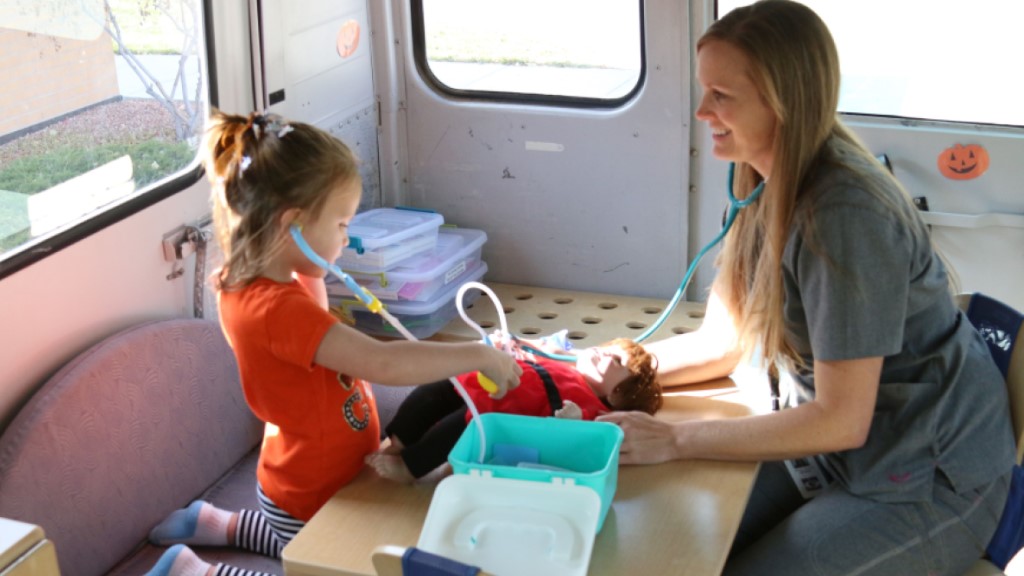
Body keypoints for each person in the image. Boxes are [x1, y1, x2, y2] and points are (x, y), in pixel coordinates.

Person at [595, 2, 1016, 575]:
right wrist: (585, 369)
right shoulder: (757, 177)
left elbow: (842, 418)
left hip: (925, 475)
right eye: (704, 90)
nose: (701, 111)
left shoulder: (845, 215)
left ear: (783, 102)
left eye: (722, 95)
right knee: (668, 552)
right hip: (837, 445)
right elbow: (724, 343)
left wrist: (675, 441)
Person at [143, 110, 522, 576]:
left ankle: (218, 524)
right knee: (315, 559)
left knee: (292, 536)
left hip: (306, 473)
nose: (348, 238)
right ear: (293, 225)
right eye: (342, 224)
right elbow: (381, 362)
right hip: (310, 488)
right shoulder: (277, 309)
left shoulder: (267, 281)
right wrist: (477, 355)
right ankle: (193, 571)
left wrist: (313, 265)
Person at [367, 337, 661, 483]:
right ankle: (398, 442)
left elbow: (590, 440)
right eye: (609, 347)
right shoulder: (564, 364)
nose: (605, 352)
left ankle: (410, 467)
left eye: (617, 362)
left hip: (489, 413)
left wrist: (574, 422)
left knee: (454, 432)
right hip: (475, 381)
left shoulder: (590, 406)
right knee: (429, 394)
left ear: (617, 397)